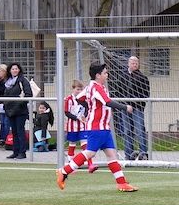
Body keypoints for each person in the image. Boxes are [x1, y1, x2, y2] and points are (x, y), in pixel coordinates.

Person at [56, 62, 138, 192]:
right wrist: (125, 107)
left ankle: (122, 183)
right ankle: (64, 171)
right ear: (98, 75)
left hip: (104, 127)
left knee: (111, 154)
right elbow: (107, 102)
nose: (107, 75)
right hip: (97, 127)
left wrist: (89, 106)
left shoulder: (92, 87)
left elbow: (79, 98)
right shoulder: (96, 88)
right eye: (105, 73)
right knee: (90, 152)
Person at [113, 56, 150, 160]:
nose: (135, 65)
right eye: (133, 63)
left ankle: (143, 154)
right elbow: (118, 91)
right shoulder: (122, 76)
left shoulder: (142, 77)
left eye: (136, 63)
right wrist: (123, 105)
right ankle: (129, 155)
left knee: (140, 131)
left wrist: (139, 105)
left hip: (137, 108)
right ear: (128, 63)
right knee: (127, 131)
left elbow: (146, 94)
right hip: (125, 108)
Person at [63, 79, 97, 172]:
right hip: (72, 126)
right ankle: (70, 165)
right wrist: (76, 118)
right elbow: (67, 112)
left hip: (82, 126)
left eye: (81, 89)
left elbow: (87, 109)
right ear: (72, 89)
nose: (79, 91)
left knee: (85, 144)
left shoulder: (84, 99)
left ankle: (90, 164)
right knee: (72, 145)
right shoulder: (69, 99)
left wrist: (84, 116)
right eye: (77, 89)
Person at [2, 62, 32, 159]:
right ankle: (15, 151)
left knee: (20, 131)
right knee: (14, 132)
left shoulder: (23, 80)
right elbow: (1, 92)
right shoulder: (7, 82)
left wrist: (19, 104)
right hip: (10, 110)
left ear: (19, 70)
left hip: (20, 110)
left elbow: (28, 94)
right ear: (9, 71)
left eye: (16, 69)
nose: (15, 70)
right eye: (13, 69)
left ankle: (22, 152)